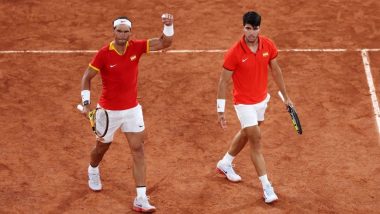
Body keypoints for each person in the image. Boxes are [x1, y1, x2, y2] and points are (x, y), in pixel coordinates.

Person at [80, 13, 174, 212]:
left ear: (131, 32)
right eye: (119, 31)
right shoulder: (103, 53)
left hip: (132, 110)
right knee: (101, 148)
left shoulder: (136, 47)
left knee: (138, 149)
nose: (123, 35)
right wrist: (86, 103)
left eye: (126, 31)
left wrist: (168, 26)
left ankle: (140, 198)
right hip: (108, 112)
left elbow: (164, 43)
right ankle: (93, 169)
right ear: (113, 31)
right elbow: (87, 77)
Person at [215, 11, 293, 204]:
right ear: (243, 28)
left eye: (255, 29)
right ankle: (267, 187)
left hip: (261, 100)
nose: (251, 33)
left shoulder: (268, 44)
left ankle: (225, 163)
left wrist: (286, 97)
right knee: (256, 140)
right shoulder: (234, 52)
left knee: (247, 132)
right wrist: (220, 110)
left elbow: (276, 70)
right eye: (248, 28)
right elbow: (223, 81)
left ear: (260, 28)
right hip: (243, 103)